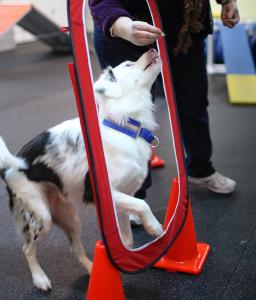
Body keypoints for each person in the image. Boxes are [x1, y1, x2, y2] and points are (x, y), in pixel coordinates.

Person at [89, 0, 240, 194]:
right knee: (129, 115)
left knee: (193, 101)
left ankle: (200, 170)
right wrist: (125, 28)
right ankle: (132, 194)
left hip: (184, 30)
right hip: (125, 27)